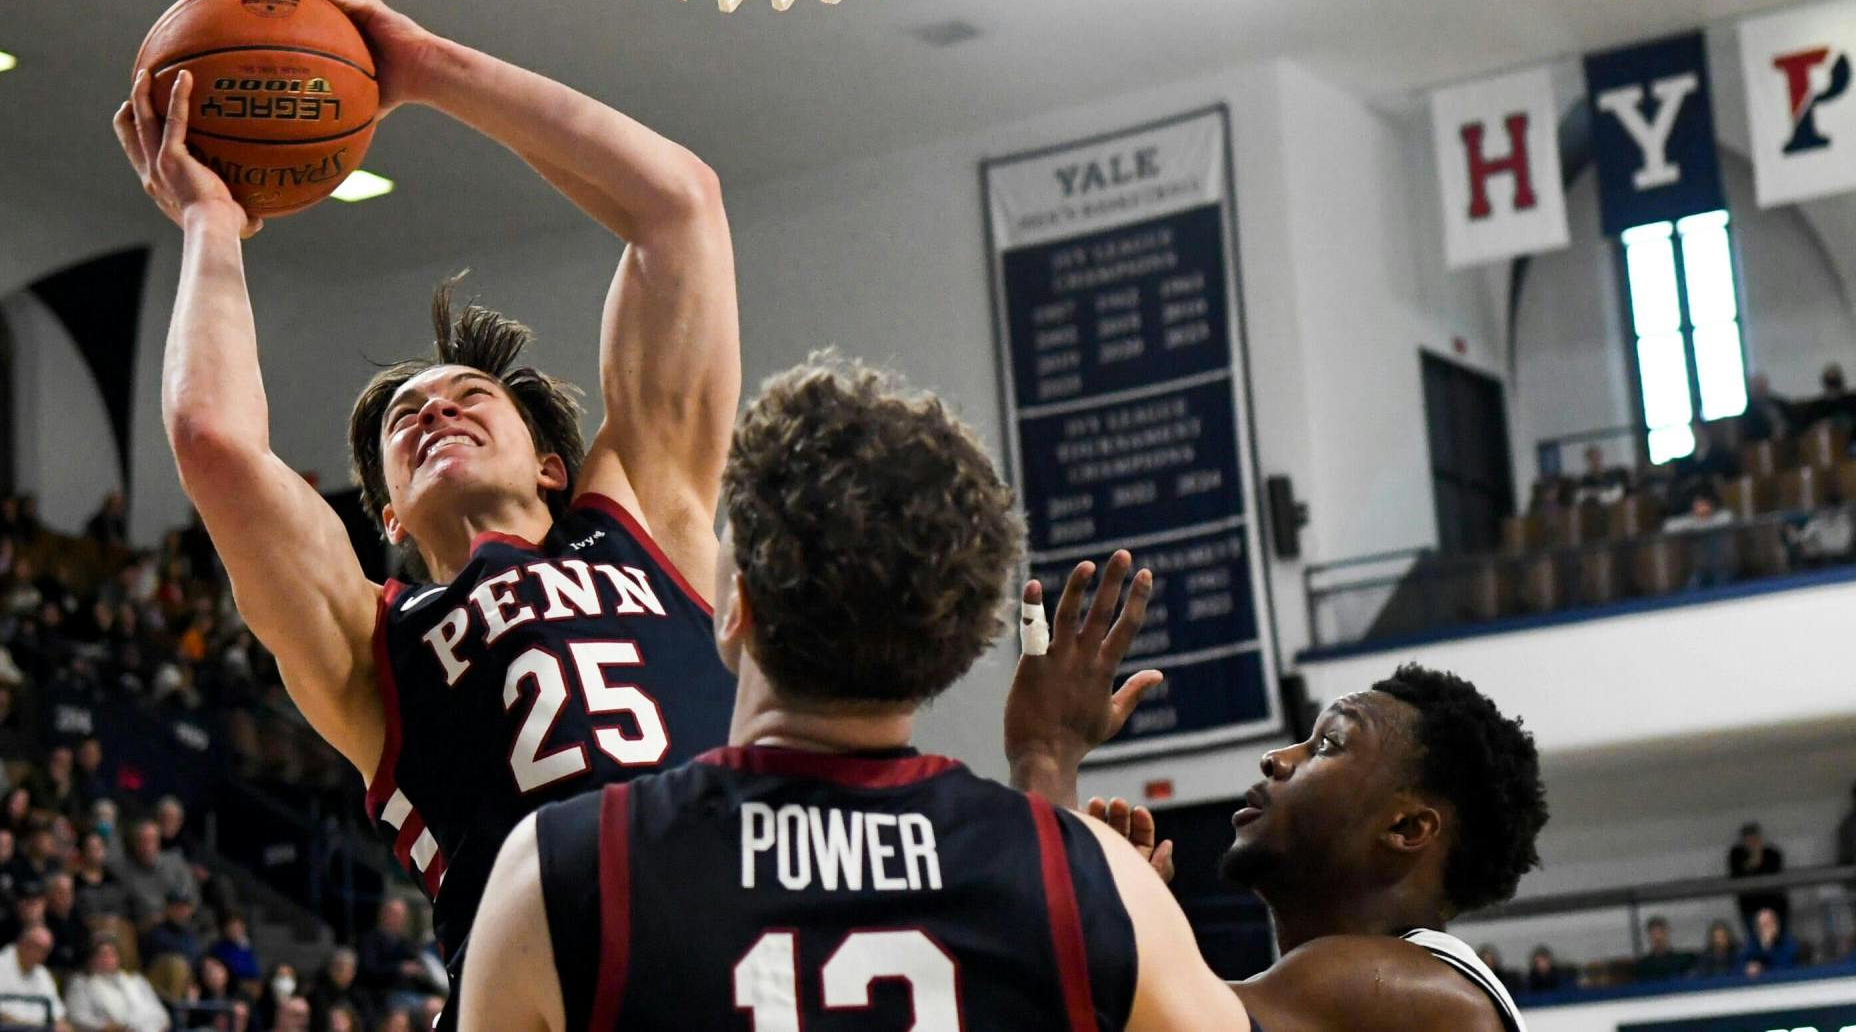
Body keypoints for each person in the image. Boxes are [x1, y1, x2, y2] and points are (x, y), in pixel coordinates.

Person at [114, 0, 742, 1023]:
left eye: (467, 396)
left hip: (737, 944)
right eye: (407, 422)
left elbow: (677, 209)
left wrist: (425, 70)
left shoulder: (647, 524)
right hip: (542, 990)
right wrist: (210, 225)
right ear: (390, 518)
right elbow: (212, 439)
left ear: (553, 463)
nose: (434, 412)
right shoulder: (373, 647)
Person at [461, 356, 1250, 1031]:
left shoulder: (561, 867)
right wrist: (1050, 779)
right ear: (951, 641)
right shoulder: (1098, 881)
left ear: (738, 610)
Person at [1008, 616, 1546, 1029]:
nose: (1277, 758)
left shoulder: (1405, 993)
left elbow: (1095, 1008)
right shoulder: (1362, 990)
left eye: (1327, 745)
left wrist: (1045, 756)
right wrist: (1116, 909)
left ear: (1407, 829)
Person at [65, 932, 172, 1032]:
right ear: (90, 958)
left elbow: (161, 1014)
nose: (108, 959)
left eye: (112, 954)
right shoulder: (81, 983)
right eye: (103, 955)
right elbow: (78, 1017)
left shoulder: (136, 980)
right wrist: (106, 1027)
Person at [357, 897, 430, 1008]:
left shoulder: (405, 943)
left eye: (400, 915)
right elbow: (368, 970)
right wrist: (399, 968)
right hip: (382, 993)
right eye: (392, 913)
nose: (397, 918)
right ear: (381, 913)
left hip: (411, 992)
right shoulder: (369, 939)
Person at [1729, 822, 1789, 928]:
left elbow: (1776, 876)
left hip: (1775, 906)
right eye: (1748, 840)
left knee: (1779, 937)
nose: (1752, 843)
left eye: (1754, 839)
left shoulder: (1772, 854)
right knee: (1756, 939)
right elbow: (1737, 875)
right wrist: (1753, 859)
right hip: (1751, 908)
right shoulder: (1736, 855)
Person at [307, 949, 378, 1032]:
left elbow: (369, 1021)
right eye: (338, 968)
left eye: (349, 969)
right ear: (330, 969)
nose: (344, 973)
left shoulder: (361, 995)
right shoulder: (317, 995)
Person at [1632, 915, 1697, 983]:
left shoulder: (1682, 961)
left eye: (1660, 932)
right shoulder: (1644, 966)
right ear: (1649, 936)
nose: (1658, 937)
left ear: (1667, 933)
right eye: (1654, 934)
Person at [1742, 905, 1800, 976]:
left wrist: (1768, 947)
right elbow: (1740, 967)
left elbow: (1785, 967)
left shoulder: (1789, 943)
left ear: (1777, 925)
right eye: (1763, 925)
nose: (1767, 929)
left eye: (1770, 923)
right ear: (1756, 928)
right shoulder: (1751, 946)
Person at [1740, 373, 1791, 443]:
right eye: (1759, 387)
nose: (1762, 389)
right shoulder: (1750, 409)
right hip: (1766, 442)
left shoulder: (1777, 402)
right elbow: (1753, 432)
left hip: (1788, 437)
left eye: (1763, 386)